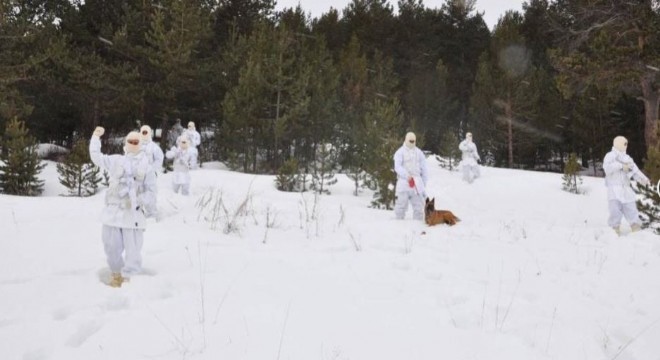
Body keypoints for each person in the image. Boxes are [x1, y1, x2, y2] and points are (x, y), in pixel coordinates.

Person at [89, 126, 157, 287]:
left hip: (132, 215)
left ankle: (130, 279)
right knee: (110, 246)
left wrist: (138, 200)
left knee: (133, 250)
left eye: (136, 141)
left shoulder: (147, 167)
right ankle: (116, 274)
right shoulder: (116, 160)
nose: (133, 143)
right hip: (112, 212)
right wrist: (95, 138)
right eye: (130, 141)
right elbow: (97, 158)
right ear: (126, 142)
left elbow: (152, 193)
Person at [603, 135, 650, 235]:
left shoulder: (627, 158)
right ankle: (614, 229)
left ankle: (636, 228)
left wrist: (644, 179)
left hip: (626, 188)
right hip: (614, 189)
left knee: (631, 208)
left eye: (626, 144)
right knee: (615, 211)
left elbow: (635, 171)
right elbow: (607, 168)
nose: (626, 146)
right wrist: (620, 166)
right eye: (624, 144)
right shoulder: (610, 156)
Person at [393, 132, 429, 220]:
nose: (412, 143)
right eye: (410, 141)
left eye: (413, 141)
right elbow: (397, 166)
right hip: (404, 182)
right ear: (406, 140)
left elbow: (424, 168)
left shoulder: (419, 153)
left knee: (418, 207)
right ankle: (398, 224)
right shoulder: (400, 152)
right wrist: (406, 175)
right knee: (401, 205)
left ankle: (417, 226)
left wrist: (423, 182)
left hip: (416, 183)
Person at [139, 125, 164, 218]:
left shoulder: (154, 147)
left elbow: (159, 158)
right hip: (138, 174)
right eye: (143, 132)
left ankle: (152, 214)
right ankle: (138, 213)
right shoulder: (137, 144)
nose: (144, 134)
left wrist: (151, 169)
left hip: (149, 175)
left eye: (146, 132)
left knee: (150, 193)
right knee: (138, 192)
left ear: (149, 133)